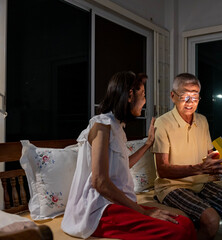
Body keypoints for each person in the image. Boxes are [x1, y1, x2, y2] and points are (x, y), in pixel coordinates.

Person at [61, 71, 196, 240]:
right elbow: (99, 182)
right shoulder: (102, 125)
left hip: (116, 203)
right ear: (130, 95)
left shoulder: (117, 127)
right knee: (178, 231)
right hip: (99, 209)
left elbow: (123, 165)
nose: (145, 101)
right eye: (143, 94)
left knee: (185, 223)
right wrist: (141, 210)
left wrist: (147, 144)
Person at [153, 73, 222, 240]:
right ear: (173, 96)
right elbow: (163, 170)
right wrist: (200, 168)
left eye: (195, 95)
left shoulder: (202, 120)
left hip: (201, 184)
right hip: (172, 187)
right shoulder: (163, 123)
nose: (190, 102)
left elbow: (210, 155)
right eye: (185, 96)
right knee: (211, 219)